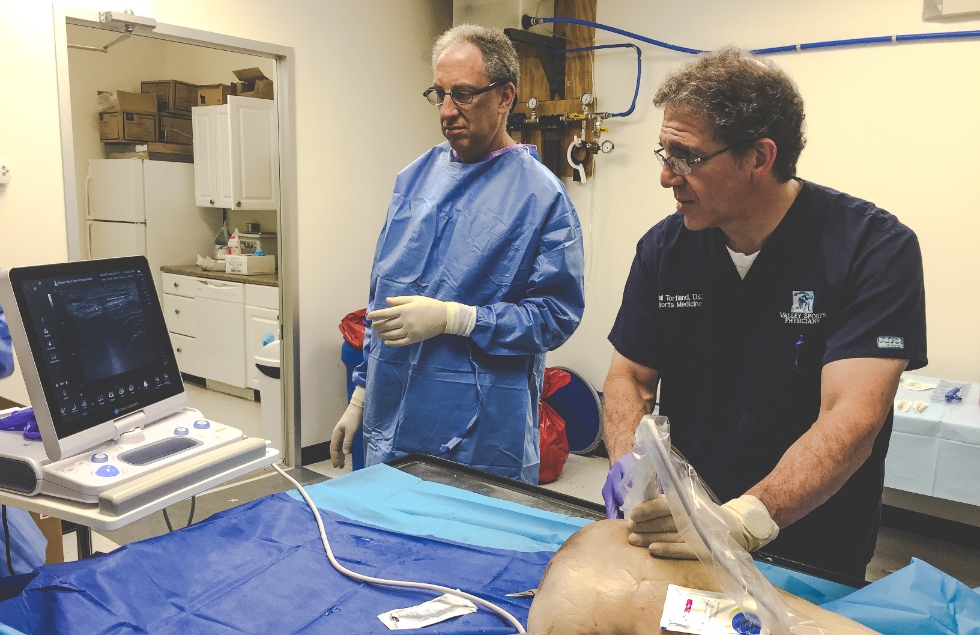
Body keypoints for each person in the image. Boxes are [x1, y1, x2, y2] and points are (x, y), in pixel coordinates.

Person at [602, 47, 926, 579]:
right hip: (677, 534)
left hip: (812, 543)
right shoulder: (665, 250)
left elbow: (853, 415)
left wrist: (744, 519)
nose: (667, 177)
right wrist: (628, 468)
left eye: (686, 157)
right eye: (663, 154)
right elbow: (628, 376)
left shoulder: (871, 248)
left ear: (759, 157)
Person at [330, 24, 585, 484]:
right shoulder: (414, 180)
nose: (447, 111)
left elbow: (554, 316)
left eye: (464, 94)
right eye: (440, 94)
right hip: (392, 417)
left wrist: (457, 318)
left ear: (506, 96)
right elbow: (382, 297)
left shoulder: (540, 196)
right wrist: (359, 398)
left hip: (484, 434)